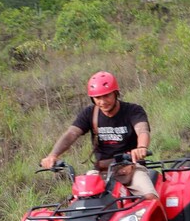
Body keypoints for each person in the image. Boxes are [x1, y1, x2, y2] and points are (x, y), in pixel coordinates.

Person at [40, 71, 158, 199]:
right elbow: (72, 133)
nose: (102, 102)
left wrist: (141, 147)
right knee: (79, 201)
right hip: (101, 171)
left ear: (115, 93)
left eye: (106, 96)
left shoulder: (133, 110)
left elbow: (142, 130)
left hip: (132, 167)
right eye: (98, 98)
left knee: (150, 198)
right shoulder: (89, 113)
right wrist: (53, 155)